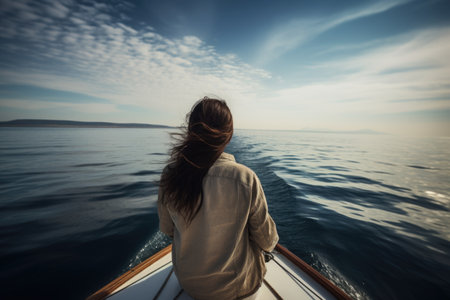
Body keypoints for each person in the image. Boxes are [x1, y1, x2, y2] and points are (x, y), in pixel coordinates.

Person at [158, 97, 279, 300]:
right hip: (239, 289)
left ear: (190, 132)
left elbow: (167, 229)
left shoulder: (170, 174)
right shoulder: (245, 178)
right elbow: (267, 241)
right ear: (228, 136)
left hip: (190, 285)